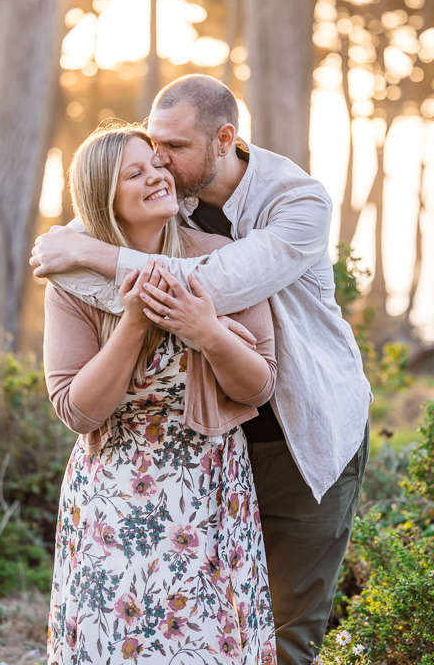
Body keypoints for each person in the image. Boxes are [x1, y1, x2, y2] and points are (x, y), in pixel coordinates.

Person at [32, 75, 372, 665]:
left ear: (225, 139)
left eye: (173, 149)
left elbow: (215, 284)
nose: (160, 162)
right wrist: (71, 253)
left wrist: (92, 254)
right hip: (208, 458)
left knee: (283, 626)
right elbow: (104, 223)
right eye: (151, 150)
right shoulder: (176, 194)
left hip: (304, 431)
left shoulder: (299, 202)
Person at [43, 124, 277, 664]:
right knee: (114, 643)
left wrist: (208, 332)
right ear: (107, 199)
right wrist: (130, 323)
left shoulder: (220, 259)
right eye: (135, 172)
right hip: (113, 493)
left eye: (156, 162)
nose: (157, 175)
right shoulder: (73, 280)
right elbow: (77, 410)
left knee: (207, 645)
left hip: (209, 488)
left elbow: (260, 384)